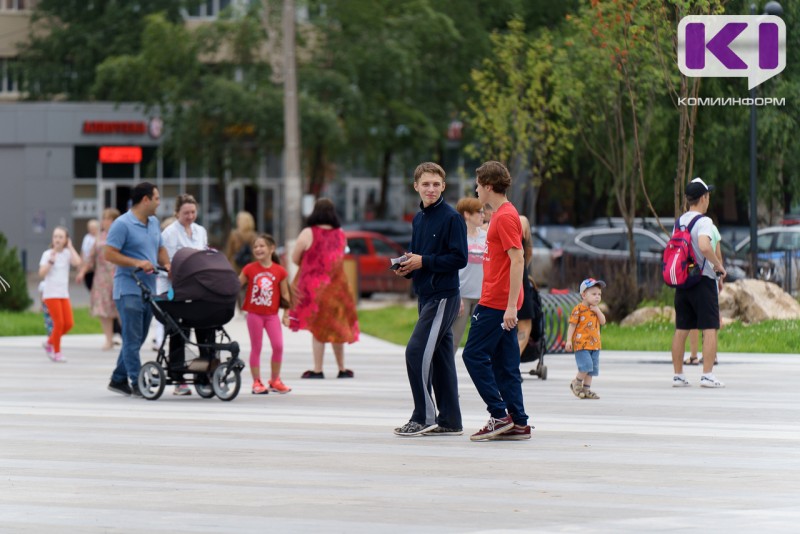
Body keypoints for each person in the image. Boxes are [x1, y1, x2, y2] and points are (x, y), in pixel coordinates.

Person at [393, 163, 468, 437]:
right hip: (425, 296)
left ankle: (423, 417)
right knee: (441, 358)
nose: (431, 189)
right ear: (416, 186)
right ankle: (450, 421)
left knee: (415, 352)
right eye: (426, 184)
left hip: (443, 297)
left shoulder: (452, 218)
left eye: (436, 184)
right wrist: (407, 267)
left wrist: (423, 261)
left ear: (444, 186)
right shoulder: (419, 219)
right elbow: (419, 256)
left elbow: (460, 258)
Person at [462, 161, 530, 441]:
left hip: (497, 302)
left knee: (472, 355)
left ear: (489, 186)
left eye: (478, 185)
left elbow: (518, 259)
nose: (476, 189)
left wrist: (511, 306)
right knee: (505, 363)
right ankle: (519, 422)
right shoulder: (503, 214)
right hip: (500, 300)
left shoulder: (504, 217)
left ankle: (499, 415)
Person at [105, 182, 170, 397]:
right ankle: (137, 381)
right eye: (157, 198)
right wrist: (137, 263)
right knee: (132, 339)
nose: (159, 203)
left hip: (148, 289)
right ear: (145, 200)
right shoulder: (122, 224)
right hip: (128, 288)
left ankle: (118, 379)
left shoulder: (154, 222)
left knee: (138, 338)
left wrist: (167, 264)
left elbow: (160, 248)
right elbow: (109, 253)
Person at [286, 198, 359, 378]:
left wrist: (309, 263)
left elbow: (295, 258)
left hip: (315, 288)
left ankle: (318, 370)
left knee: (318, 328)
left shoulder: (308, 233)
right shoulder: (340, 234)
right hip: (338, 287)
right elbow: (339, 258)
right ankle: (342, 369)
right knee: (337, 327)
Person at [671, 177, 726, 388]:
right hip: (703, 280)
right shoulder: (704, 222)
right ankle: (707, 375)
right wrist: (718, 265)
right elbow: (704, 246)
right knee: (709, 326)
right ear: (703, 198)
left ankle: (678, 375)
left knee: (682, 327)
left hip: (683, 280)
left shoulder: (679, 222)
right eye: (708, 195)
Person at [159, 195, 210, 396]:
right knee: (179, 332)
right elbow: (169, 263)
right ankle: (178, 378)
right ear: (177, 213)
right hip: (176, 288)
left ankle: (204, 374)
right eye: (186, 213)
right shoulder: (170, 233)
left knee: (205, 329)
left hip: (198, 287)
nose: (190, 216)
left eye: (193, 212)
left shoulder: (200, 231)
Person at [240, 233, 292, 395]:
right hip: (254, 315)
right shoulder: (249, 269)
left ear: (272, 249)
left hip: (271, 316)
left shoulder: (280, 271)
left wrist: (286, 314)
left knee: (278, 346)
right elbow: (235, 285)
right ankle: (256, 382)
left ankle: (275, 380)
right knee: (256, 347)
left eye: (262, 246)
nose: (258, 249)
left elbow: (285, 294)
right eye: (255, 247)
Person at [76, 208, 120, 351]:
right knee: (103, 310)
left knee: (121, 309)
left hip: (117, 275)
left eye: (108, 219)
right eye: (104, 218)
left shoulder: (121, 235)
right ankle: (108, 339)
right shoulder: (99, 237)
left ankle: (127, 338)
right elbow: (91, 258)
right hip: (101, 278)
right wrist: (82, 271)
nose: (105, 221)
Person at [39, 226, 82, 362]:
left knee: (68, 324)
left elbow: (78, 262)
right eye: (55, 236)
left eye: (61, 237)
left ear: (66, 239)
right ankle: (57, 352)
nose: (57, 239)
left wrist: (70, 246)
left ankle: (49, 342)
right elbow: (41, 273)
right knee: (59, 323)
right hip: (51, 294)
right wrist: (50, 262)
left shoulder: (67, 253)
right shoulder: (47, 254)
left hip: (63, 294)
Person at [685, 223, 723, 366]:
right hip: (711, 277)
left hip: (693, 276)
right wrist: (720, 278)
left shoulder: (688, 226)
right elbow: (718, 256)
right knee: (711, 320)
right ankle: (712, 356)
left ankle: (694, 355)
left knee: (694, 318)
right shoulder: (713, 228)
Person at [451, 197, 486, 353]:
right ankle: (444, 369)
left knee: (482, 342)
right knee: (453, 340)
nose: (483, 215)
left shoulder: (486, 236)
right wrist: (456, 295)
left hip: (482, 297)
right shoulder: (457, 236)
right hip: (462, 296)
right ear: (467, 214)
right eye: (479, 212)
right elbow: (451, 267)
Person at [564, 278, 607, 399]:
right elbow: (572, 325)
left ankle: (586, 389)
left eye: (599, 294)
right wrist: (569, 340)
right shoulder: (578, 309)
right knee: (586, 366)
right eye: (594, 294)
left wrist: (598, 311)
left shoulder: (596, 309)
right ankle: (576, 383)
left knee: (592, 369)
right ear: (583, 295)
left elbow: (603, 322)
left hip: (595, 345)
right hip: (582, 344)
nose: (597, 297)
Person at [517, 215, 535, 355]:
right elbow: (529, 251)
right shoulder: (522, 221)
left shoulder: (482, 228)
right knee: (524, 324)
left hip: (493, 279)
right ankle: (511, 362)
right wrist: (523, 269)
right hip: (518, 277)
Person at [79, 219, 100, 291]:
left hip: (94, 265)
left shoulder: (99, 238)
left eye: (94, 228)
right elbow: (83, 250)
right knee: (88, 283)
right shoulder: (86, 237)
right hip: (86, 263)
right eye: (90, 228)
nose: (92, 230)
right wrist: (81, 263)